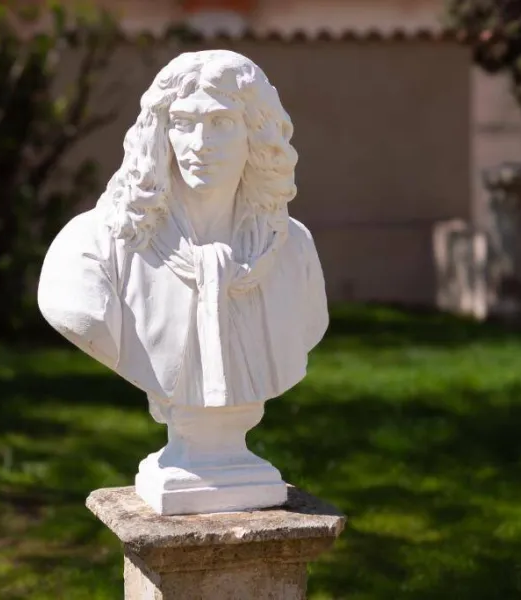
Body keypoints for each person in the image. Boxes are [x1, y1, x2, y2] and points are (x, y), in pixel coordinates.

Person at [38, 49, 328, 424]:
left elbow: (311, 324)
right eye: (183, 122)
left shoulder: (291, 247)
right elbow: (81, 317)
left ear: (256, 133)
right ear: (161, 132)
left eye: (221, 122)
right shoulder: (94, 246)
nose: (200, 142)